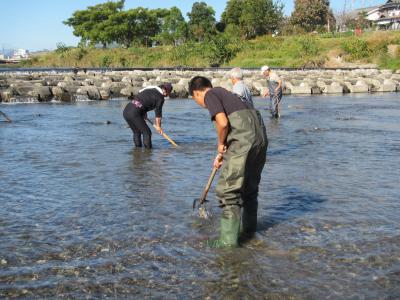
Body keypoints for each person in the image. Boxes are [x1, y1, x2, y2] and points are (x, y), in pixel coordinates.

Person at [189, 76, 268, 248]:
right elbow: (236, 127)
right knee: (250, 188)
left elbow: (223, 123)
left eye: (196, 100)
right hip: (259, 139)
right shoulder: (230, 95)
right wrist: (222, 151)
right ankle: (248, 232)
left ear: (197, 93)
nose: (200, 104)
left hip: (244, 140)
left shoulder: (210, 94)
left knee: (229, 190)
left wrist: (220, 144)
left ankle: (227, 242)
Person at [123, 83, 173, 149]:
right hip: (135, 113)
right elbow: (158, 115)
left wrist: (144, 112)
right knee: (147, 133)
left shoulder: (151, 88)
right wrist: (158, 127)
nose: (168, 95)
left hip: (127, 110)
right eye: (169, 92)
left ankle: (137, 153)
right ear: (166, 91)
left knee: (137, 132)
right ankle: (148, 154)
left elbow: (141, 96)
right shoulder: (160, 98)